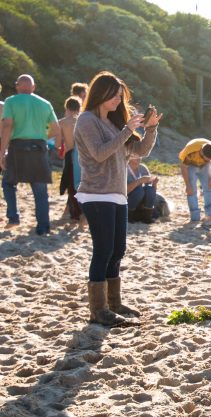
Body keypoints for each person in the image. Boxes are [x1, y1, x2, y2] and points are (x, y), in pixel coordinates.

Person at [73, 71, 160, 326]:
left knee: (118, 250)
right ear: (101, 93)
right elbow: (99, 154)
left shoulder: (113, 123)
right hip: (95, 192)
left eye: (120, 96)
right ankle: (98, 310)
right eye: (115, 95)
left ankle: (114, 303)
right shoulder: (86, 121)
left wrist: (151, 128)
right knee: (103, 250)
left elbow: (140, 151)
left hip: (118, 193)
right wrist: (126, 130)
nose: (118, 100)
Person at [1, 74, 60, 234]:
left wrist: (1, 152)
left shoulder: (11, 101)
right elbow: (55, 130)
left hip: (17, 147)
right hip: (39, 148)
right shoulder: (45, 103)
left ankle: (13, 217)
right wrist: (41, 138)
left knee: (8, 183)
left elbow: (7, 126)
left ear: (17, 86)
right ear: (33, 87)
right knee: (40, 190)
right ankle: (43, 227)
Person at [178, 138, 211, 224]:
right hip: (191, 165)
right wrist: (187, 185)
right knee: (191, 190)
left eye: (208, 159)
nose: (205, 160)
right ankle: (195, 217)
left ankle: (209, 215)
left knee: (209, 187)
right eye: (204, 158)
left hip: (205, 166)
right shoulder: (190, 151)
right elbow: (183, 167)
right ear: (201, 152)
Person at [56, 96, 83, 222]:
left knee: (71, 184)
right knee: (81, 182)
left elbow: (58, 143)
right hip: (83, 155)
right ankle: (81, 211)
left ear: (67, 107)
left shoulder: (62, 122)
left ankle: (75, 213)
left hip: (70, 154)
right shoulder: (83, 120)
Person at [127, 155, 158, 223]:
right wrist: (139, 181)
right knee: (139, 190)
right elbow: (123, 192)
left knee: (150, 189)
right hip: (128, 200)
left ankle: (147, 217)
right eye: (136, 155)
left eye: (140, 155)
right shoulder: (124, 169)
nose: (139, 157)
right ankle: (128, 217)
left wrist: (154, 184)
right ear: (129, 156)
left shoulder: (142, 167)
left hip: (140, 201)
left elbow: (152, 190)